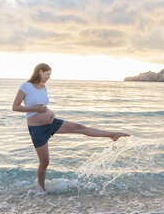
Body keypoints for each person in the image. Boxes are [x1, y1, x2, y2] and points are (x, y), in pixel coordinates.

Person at [12, 63, 130, 191]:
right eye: (48, 74)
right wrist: (35, 109)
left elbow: (44, 106)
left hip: (51, 124)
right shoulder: (26, 86)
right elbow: (15, 107)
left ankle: (111, 134)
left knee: (79, 127)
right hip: (37, 129)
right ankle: (41, 190)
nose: (49, 77)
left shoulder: (43, 87)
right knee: (45, 163)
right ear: (40, 72)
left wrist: (50, 112)